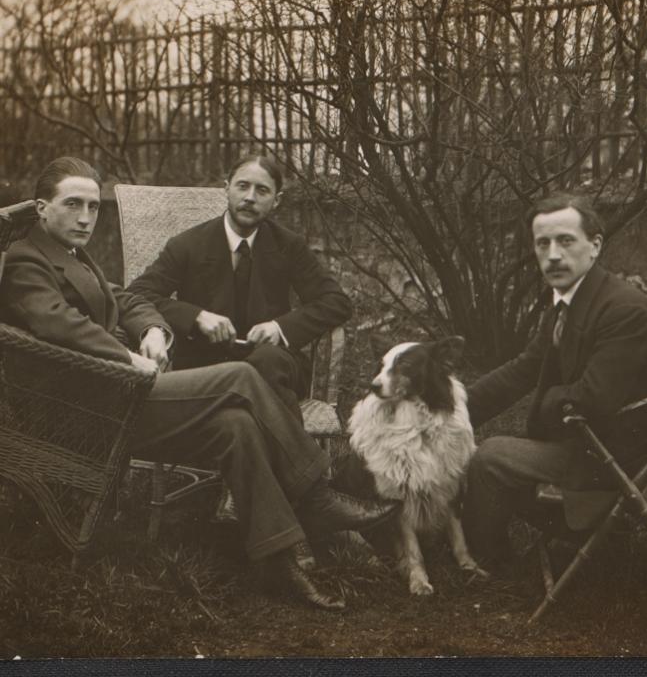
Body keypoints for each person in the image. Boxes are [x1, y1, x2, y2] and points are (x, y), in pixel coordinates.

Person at [0, 156, 398, 611]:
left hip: (114, 393)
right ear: (41, 207)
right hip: (85, 408)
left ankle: (277, 561)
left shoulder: (68, 251)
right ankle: (315, 495)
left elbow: (125, 296)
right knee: (241, 377)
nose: (87, 218)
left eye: (94, 206)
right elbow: (57, 324)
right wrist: (128, 357)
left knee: (236, 425)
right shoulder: (25, 262)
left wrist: (151, 330)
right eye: (74, 205)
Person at [462, 193, 647, 568]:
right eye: (542, 243)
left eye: (565, 241)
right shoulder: (571, 300)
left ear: (594, 246)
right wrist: (452, 407)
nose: (553, 255)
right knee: (482, 451)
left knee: (490, 457)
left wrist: (547, 402)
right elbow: (523, 369)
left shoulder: (623, 310)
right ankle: (586, 539)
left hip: (625, 460)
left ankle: (487, 563)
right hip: (596, 444)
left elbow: (591, 399)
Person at [128, 154, 352, 419]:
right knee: (245, 394)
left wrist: (280, 327)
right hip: (207, 367)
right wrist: (196, 316)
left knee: (266, 363)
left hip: (274, 365)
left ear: (276, 201)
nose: (250, 197)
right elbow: (138, 293)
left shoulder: (287, 246)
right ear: (226, 189)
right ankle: (295, 459)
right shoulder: (188, 244)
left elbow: (336, 301)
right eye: (242, 186)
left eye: (262, 190)